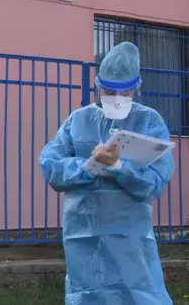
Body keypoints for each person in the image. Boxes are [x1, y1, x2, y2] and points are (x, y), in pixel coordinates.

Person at [39, 42, 174, 305]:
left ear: (136, 87)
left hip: (131, 237)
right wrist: (90, 164)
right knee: (88, 294)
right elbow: (50, 165)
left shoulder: (150, 122)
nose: (116, 96)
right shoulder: (78, 120)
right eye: (109, 89)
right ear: (98, 86)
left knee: (139, 294)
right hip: (84, 235)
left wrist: (118, 166)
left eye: (123, 91)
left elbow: (154, 183)